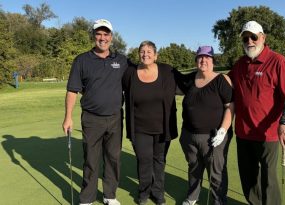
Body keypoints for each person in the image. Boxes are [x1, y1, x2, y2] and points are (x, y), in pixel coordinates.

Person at [228, 21, 285, 205]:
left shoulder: (277, 61)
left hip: (267, 134)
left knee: (268, 179)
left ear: (263, 37)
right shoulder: (239, 65)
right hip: (243, 132)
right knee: (248, 177)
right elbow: (223, 85)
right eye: (246, 38)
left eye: (253, 37)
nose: (249, 41)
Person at [62, 19, 128, 205]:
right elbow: (72, 90)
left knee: (113, 158)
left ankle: (110, 195)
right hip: (91, 119)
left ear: (111, 37)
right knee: (91, 159)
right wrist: (68, 117)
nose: (102, 38)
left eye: (106, 34)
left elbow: (138, 76)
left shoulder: (121, 60)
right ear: (93, 36)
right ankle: (87, 198)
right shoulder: (82, 60)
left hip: (115, 117)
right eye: (98, 34)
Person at [122, 41, 177, 205]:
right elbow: (119, 87)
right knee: (144, 160)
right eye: (142, 51)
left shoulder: (167, 71)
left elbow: (186, 82)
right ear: (138, 54)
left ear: (155, 55)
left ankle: (158, 192)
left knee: (159, 161)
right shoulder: (130, 72)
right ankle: (144, 192)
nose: (145, 54)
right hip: (139, 128)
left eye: (149, 51)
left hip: (162, 128)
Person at [178, 46, 234, 205]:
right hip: (189, 135)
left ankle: (218, 201)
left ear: (213, 61)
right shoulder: (190, 79)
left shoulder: (221, 80)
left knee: (216, 173)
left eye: (207, 58)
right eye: (200, 58)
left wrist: (223, 130)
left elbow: (230, 107)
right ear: (196, 61)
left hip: (214, 137)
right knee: (194, 169)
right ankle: (192, 197)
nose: (203, 60)